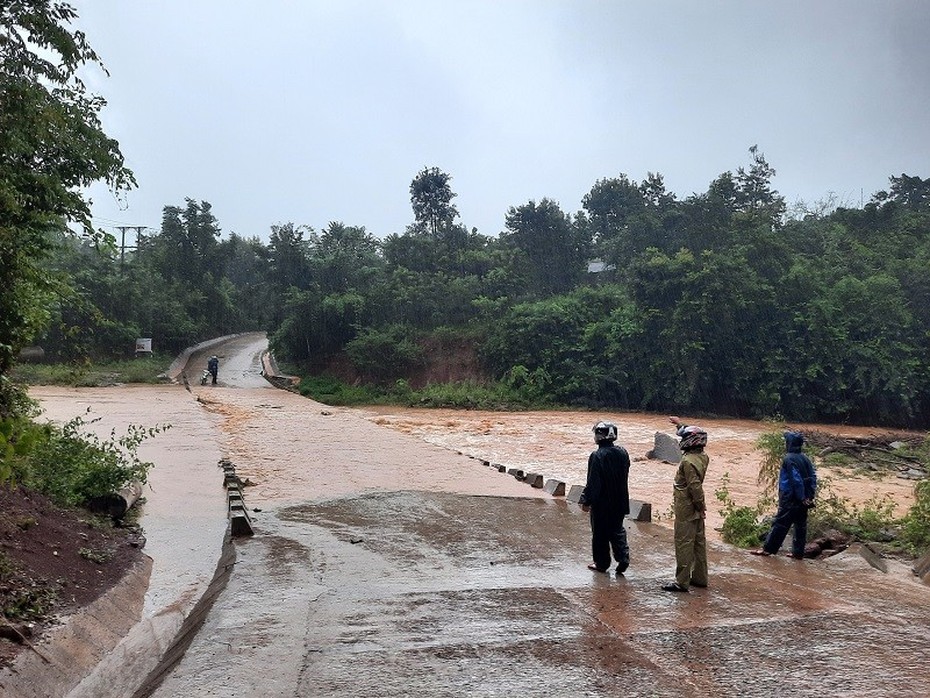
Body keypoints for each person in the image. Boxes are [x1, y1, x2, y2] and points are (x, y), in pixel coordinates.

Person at [752, 431, 817, 559]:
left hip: (790, 497)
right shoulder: (806, 458)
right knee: (800, 525)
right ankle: (798, 553)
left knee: (781, 523)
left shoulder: (788, 459)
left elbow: (795, 479)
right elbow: (813, 477)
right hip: (804, 499)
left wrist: (801, 496)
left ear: (789, 443)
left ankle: (768, 549)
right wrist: (809, 496)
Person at [662, 416, 709, 593]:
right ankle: (700, 577)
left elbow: (694, 487)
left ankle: (681, 581)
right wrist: (680, 424)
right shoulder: (702, 457)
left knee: (683, 543)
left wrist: (700, 506)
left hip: (686, 506)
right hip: (694, 507)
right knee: (699, 542)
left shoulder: (688, 461)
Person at [579, 421, 632, 575]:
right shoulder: (623, 452)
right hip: (620, 501)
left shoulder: (597, 456)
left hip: (602, 503)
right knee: (617, 530)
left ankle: (602, 563)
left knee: (600, 534)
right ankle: (623, 558)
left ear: (599, 435)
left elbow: (593, 482)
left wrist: (586, 500)